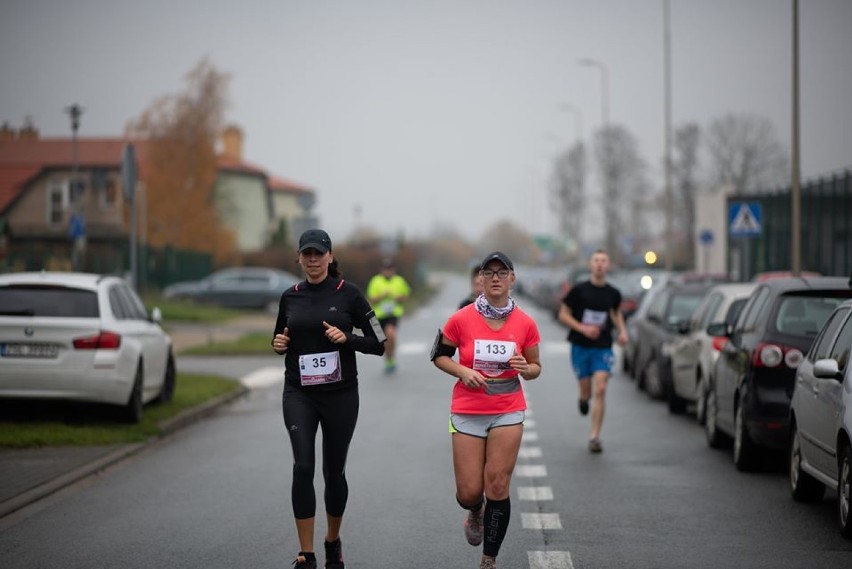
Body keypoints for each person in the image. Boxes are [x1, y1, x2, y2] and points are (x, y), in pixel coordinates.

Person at [271, 228, 386, 569]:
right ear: (299, 258)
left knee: (334, 472)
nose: (312, 260)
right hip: (299, 393)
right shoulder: (289, 296)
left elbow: (379, 343)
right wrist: (277, 345)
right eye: (306, 254)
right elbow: (280, 338)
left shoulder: (349, 294)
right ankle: (306, 555)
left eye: (318, 254)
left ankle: (332, 541)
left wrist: (348, 338)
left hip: (340, 395)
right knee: (303, 465)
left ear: (330, 257)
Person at [431, 251, 542, 569]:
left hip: (507, 409)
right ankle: (475, 511)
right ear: (480, 278)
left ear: (512, 279)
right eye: (489, 272)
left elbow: (536, 367)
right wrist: (462, 372)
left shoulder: (525, 323)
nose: (495, 277)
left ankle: (488, 559)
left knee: (497, 484)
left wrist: (526, 368)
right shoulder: (461, 318)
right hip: (467, 410)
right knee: (469, 492)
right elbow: (439, 356)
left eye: (502, 272)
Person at [557, 249, 628, 454]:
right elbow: (563, 314)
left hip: (603, 345)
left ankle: (594, 436)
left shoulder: (613, 293)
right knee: (587, 392)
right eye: (596, 260)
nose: (599, 264)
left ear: (608, 265)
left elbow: (615, 313)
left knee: (601, 389)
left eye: (603, 261)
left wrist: (622, 331)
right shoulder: (578, 290)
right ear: (591, 265)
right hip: (580, 345)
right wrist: (583, 328)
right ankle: (582, 398)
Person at [366, 257, 411, 373]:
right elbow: (371, 299)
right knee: (383, 341)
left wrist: (397, 297)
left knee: (391, 334)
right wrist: (382, 296)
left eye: (390, 269)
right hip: (378, 316)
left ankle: (392, 359)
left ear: (394, 270)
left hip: (393, 314)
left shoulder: (399, 281)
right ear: (382, 270)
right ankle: (388, 359)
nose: (388, 271)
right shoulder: (375, 281)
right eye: (386, 269)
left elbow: (406, 296)